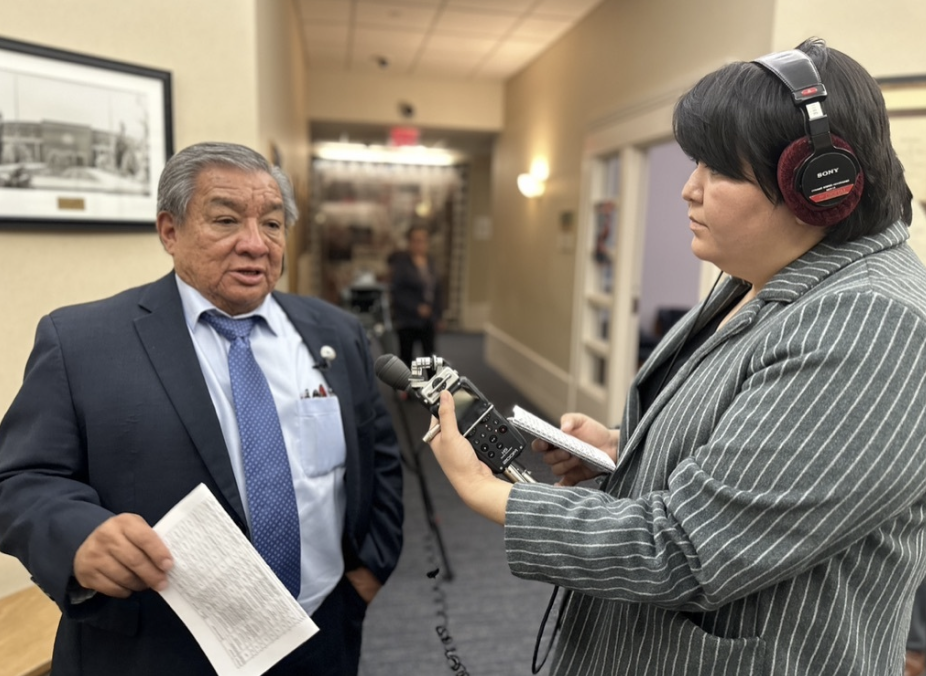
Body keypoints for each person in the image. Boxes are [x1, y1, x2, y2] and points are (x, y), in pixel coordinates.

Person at [426, 38, 926, 675]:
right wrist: (619, 450)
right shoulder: (764, 277)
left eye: (718, 171)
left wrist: (485, 490)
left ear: (818, 186)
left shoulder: (870, 323)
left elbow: (688, 548)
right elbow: (761, 457)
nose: (688, 190)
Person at [0, 142, 404, 676]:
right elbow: (21, 478)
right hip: (158, 650)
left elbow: (380, 458)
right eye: (226, 220)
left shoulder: (335, 332)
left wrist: (364, 579)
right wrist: (74, 535)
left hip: (320, 633)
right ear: (170, 231)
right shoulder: (81, 342)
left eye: (274, 224)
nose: (255, 244)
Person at [388, 223, 444, 368]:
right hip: (408, 319)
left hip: (428, 320)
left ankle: (432, 388)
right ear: (410, 242)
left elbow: (436, 290)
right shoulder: (402, 264)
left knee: (431, 358)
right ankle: (407, 389)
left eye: (423, 240)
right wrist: (416, 308)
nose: (420, 244)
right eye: (416, 240)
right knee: (407, 358)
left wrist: (438, 314)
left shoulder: (431, 263)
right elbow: (397, 292)